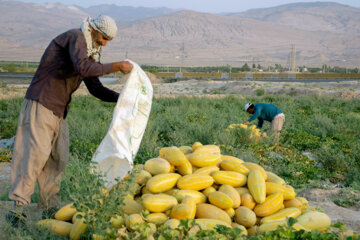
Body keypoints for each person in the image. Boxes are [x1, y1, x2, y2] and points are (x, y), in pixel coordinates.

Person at [5, 15, 133, 228]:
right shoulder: (76, 37)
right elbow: (83, 68)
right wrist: (117, 66)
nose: (105, 43)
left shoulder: (90, 52)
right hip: (41, 103)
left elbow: (95, 87)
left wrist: (122, 99)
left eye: (109, 40)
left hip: (58, 110)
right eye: (104, 37)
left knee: (57, 159)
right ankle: (17, 209)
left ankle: (49, 207)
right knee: (32, 157)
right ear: (93, 30)